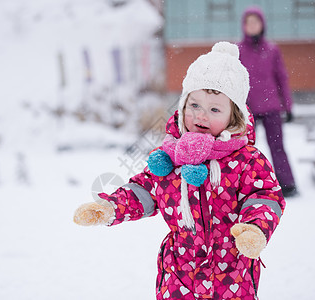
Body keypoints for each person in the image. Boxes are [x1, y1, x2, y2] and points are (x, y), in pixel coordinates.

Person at [73, 42, 286, 300]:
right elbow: (143, 190)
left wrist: (254, 228)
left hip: (233, 272)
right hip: (178, 272)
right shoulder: (172, 158)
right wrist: (111, 208)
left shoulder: (247, 160)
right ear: (183, 105)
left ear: (234, 117)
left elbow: (264, 197)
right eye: (194, 105)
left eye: (215, 109)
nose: (201, 116)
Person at [238, 6, 298, 197]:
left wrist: (288, 106)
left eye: (256, 22)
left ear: (262, 25)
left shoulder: (272, 50)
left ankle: (287, 184)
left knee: (277, 146)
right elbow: (233, 80)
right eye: (249, 22)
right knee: (245, 149)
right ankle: (246, 186)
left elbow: (282, 78)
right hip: (248, 109)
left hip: (271, 106)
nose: (252, 26)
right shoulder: (238, 50)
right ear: (244, 26)